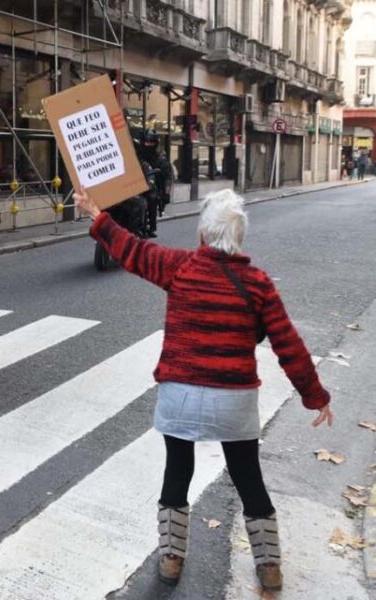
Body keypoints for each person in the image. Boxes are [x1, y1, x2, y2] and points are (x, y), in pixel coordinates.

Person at [74, 187, 333, 592]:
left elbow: (131, 249)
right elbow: (288, 344)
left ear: (202, 234)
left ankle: (171, 559)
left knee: (177, 472)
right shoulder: (258, 284)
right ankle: (269, 566)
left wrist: (95, 213)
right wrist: (315, 395)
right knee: (248, 477)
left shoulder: (178, 267)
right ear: (239, 238)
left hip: (180, 395)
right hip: (234, 401)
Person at [137, 129, 173, 235]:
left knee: (152, 198)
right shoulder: (137, 157)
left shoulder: (161, 160)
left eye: (151, 142)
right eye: (147, 142)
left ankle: (152, 225)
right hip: (135, 186)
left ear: (155, 143)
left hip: (152, 187)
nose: (149, 144)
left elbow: (168, 178)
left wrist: (166, 194)